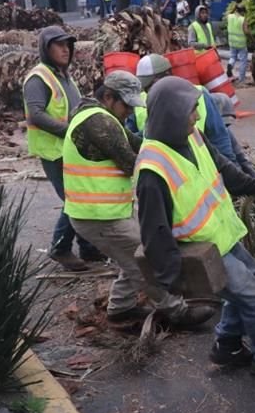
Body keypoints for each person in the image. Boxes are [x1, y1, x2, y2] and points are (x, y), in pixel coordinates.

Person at [136, 76, 255, 378]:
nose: (198, 116)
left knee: (252, 279)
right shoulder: (152, 170)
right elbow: (154, 232)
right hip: (202, 247)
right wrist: (170, 277)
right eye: (192, 110)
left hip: (222, 236)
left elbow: (225, 170)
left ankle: (227, 345)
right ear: (173, 114)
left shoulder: (192, 137)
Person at [63, 71, 216, 328]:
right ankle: (177, 312)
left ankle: (120, 307)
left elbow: (140, 145)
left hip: (102, 213)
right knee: (145, 264)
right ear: (109, 97)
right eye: (127, 106)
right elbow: (134, 162)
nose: (131, 113)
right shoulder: (100, 123)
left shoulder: (102, 118)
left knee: (132, 256)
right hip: (99, 216)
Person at [23, 26, 104, 271]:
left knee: (82, 197)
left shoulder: (64, 76)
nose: (65, 49)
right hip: (54, 152)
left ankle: (88, 247)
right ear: (46, 48)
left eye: (68, 45)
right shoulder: (39, 78)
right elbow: (36, 115)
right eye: (59, 45)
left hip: (69, 149)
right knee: (74, 200)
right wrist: (70, 131)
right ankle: (60, 247)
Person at [132, 54, 237, 163]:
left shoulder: (200, 95)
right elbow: (137, 141)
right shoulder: (139, 104)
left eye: (151, 86)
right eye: (146, 88)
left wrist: (230, 171)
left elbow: (220, 141)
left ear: (168, 76)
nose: (150, 92)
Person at [226, 3, 251, 86]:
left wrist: (234, 9)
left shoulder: (229, 16)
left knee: (233, 57)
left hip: (232, 42)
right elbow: (246, 31)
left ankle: (230, 64)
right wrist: (251, 35)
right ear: (242, 11)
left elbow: (231, 13)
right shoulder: (242, 19)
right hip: (241, 43)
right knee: (243, 61)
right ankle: (241, 80)